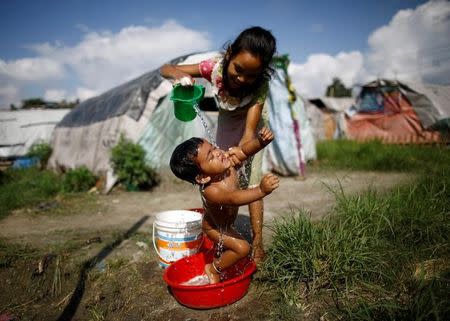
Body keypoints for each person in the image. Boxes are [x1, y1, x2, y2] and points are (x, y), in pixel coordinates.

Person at [160, 26, 277, 264]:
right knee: (220, 173)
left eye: (251, 75)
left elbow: (247, 134)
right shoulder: (213, 68)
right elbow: (165, 68)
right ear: (230, 54)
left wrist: (248, 148)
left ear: (262, 72)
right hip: (226, 120)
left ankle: (257, 242)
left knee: (251, 178)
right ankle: (224, 226)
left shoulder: (261, 85)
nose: (242, 79)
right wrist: (179, 76)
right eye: (238, 69)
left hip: (250, 124)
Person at [170, 127, 279, 284]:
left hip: (227, 222)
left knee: (232, 248)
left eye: (213, 148)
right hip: (215, 228)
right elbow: (234, 198)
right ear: (202, 177)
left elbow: (243, 152)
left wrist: (261, 142)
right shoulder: (211, 191)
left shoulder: (225, 163)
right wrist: (261, 190)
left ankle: (222, 257)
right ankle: (213, 268)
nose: (217, 152)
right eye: (210, 156)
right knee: (242, 248)